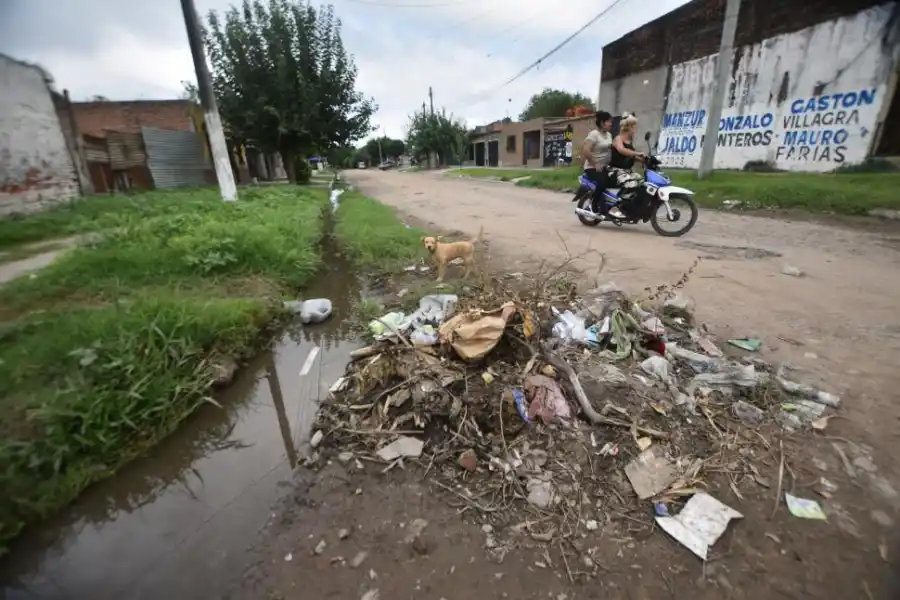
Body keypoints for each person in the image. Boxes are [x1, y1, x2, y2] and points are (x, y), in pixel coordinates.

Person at [605, 112, 647, 219]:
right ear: (629, 127)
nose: (635, 129)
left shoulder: (629, 141)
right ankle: (615, 207)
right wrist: (637, 153)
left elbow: (630, 155)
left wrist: (643, 160)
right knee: (631, 185)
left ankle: (632, 209)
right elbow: (621, 150)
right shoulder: (618, 139)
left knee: (643, 184)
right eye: (634, 126)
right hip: (615, 170)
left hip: (627, 171)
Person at [581, 111, 613, 211]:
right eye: (608, 121)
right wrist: (595, 164)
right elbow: (586, 150)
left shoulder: (609, 135)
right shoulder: (594, 134)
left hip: (604, 167)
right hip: (592, 167)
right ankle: (594, 203)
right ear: (602, 123)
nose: (610, 124)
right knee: (603, 182)